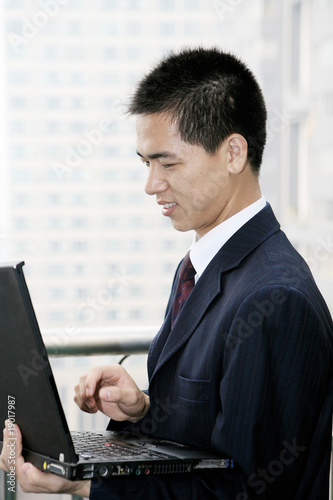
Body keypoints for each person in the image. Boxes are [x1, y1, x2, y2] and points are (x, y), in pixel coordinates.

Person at [1, 47, 333, 499]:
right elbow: (211, 439)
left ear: (233, 153)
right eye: (145, 162)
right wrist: (141, 410)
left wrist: (84, 485)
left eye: (168, 163)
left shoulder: (275, 299)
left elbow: (245, 492)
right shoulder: (201, 264)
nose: (151, 184)